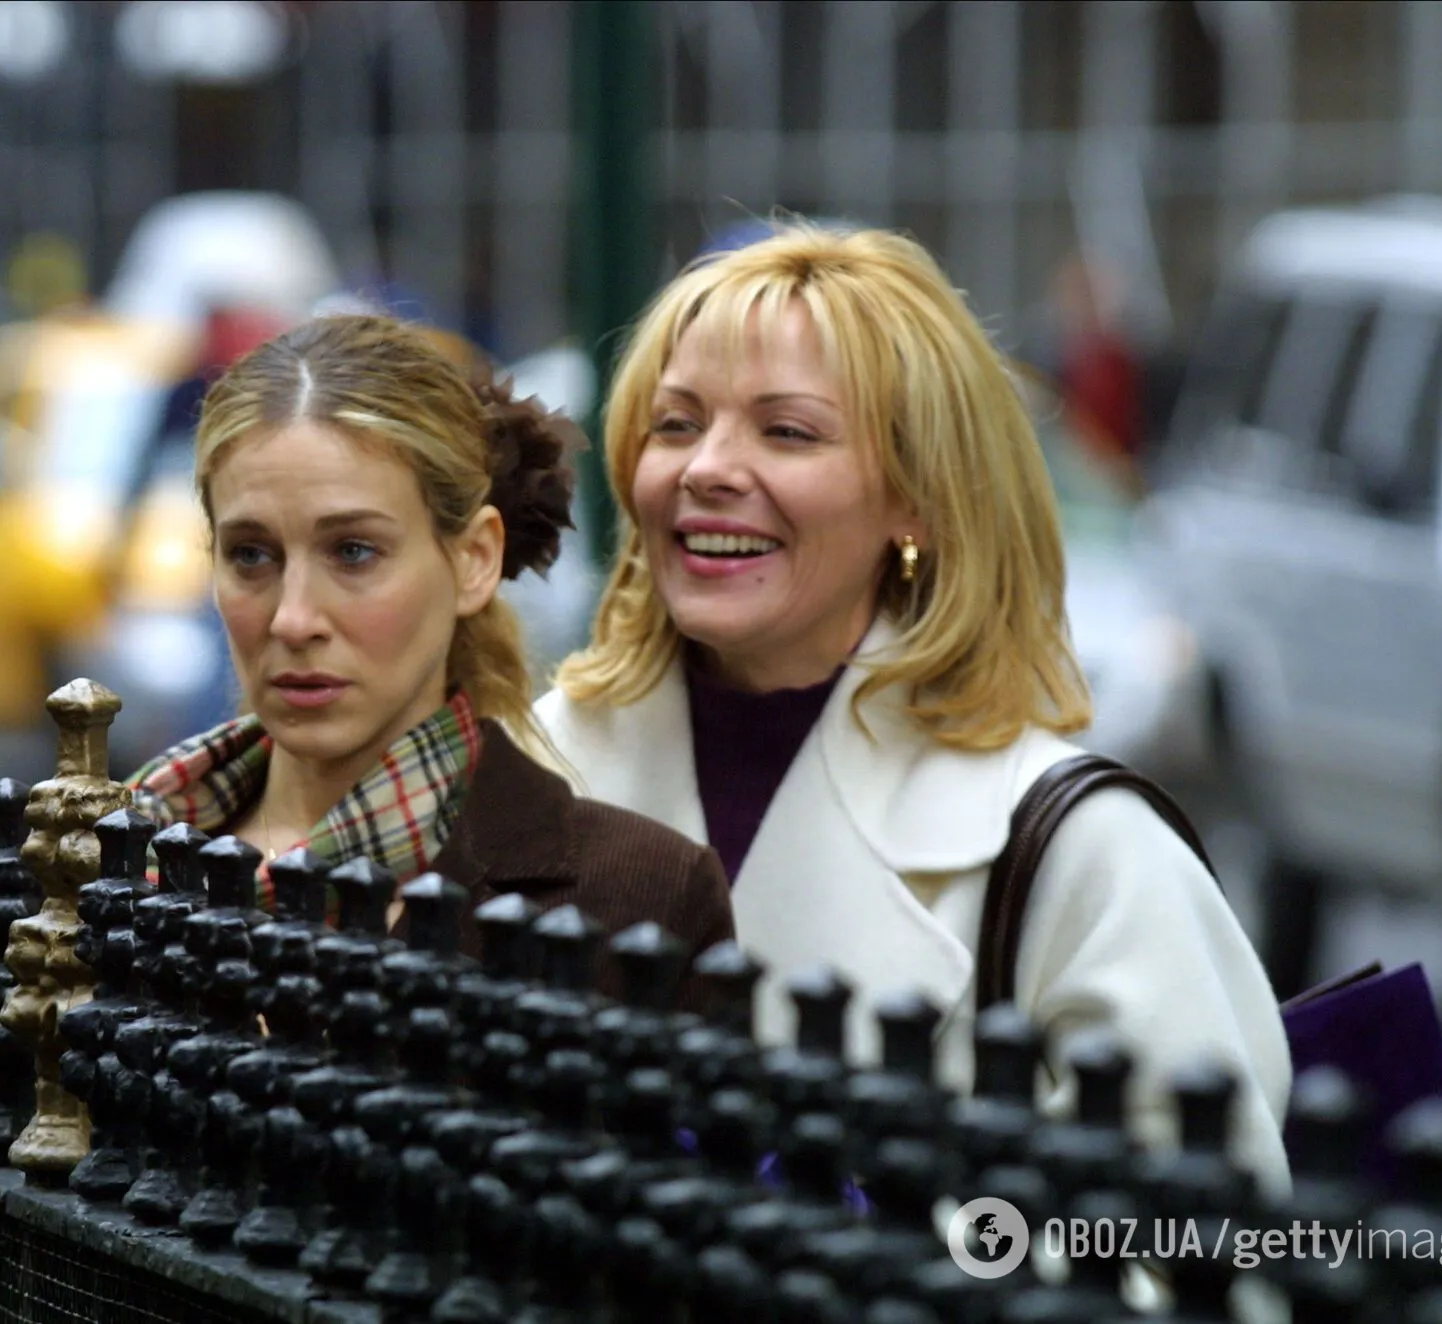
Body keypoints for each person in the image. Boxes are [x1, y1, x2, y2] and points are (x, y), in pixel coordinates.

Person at [535, 222, 1292, 1190]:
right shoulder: (534, 769)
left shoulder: (1081, 849)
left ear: (915, 503)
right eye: (676, 423)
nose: (705, 468)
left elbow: (1198, 1249)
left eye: (786, 431)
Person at [0, 314, 734, 1020]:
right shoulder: (83, 858)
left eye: (354, 552)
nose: (295, 617)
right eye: (251, 556)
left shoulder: (635, 896)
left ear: (474, 559)